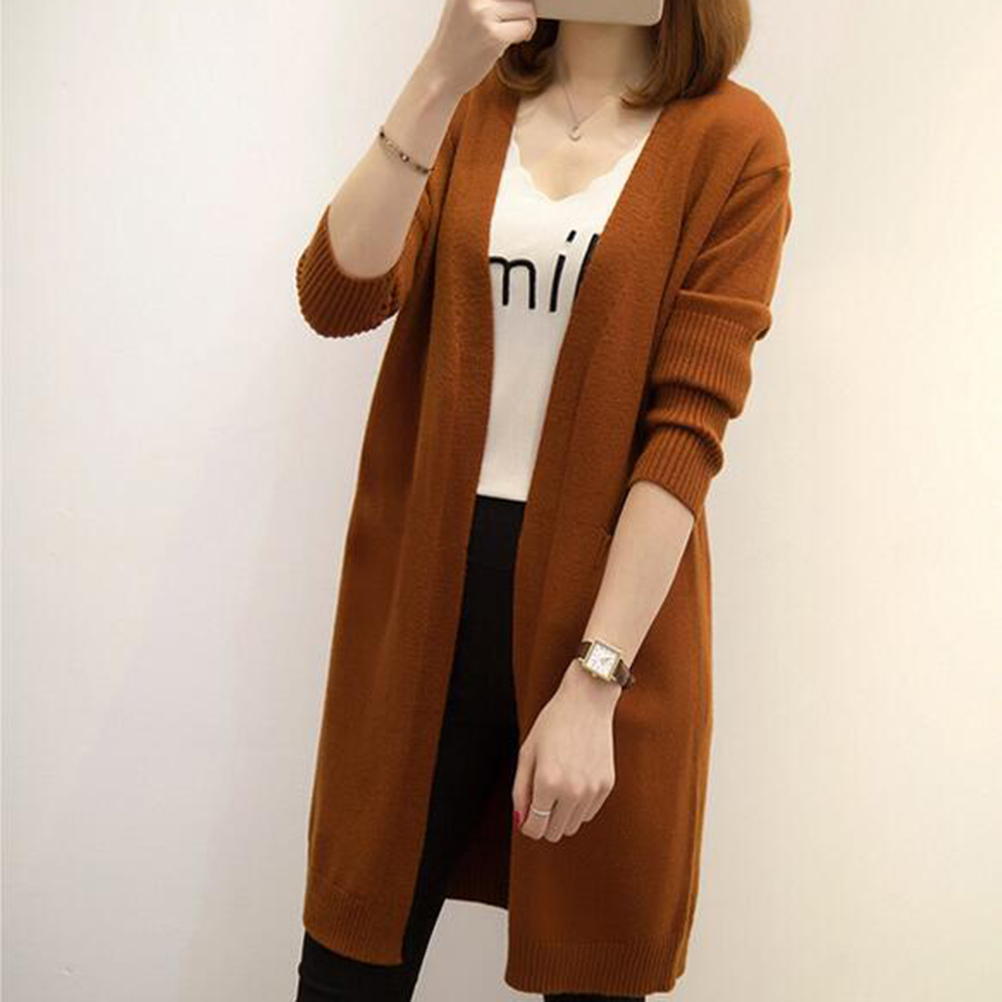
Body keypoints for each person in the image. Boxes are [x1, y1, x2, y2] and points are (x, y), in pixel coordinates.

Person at [294, 0, 794, 998]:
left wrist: (598, 679)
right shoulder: (475, 106)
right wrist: (438, 75)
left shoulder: (735, 140)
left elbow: (686, 432)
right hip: (424, 600)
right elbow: (336, 294)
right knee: (348, 962)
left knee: (591, 967)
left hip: (606, 613)